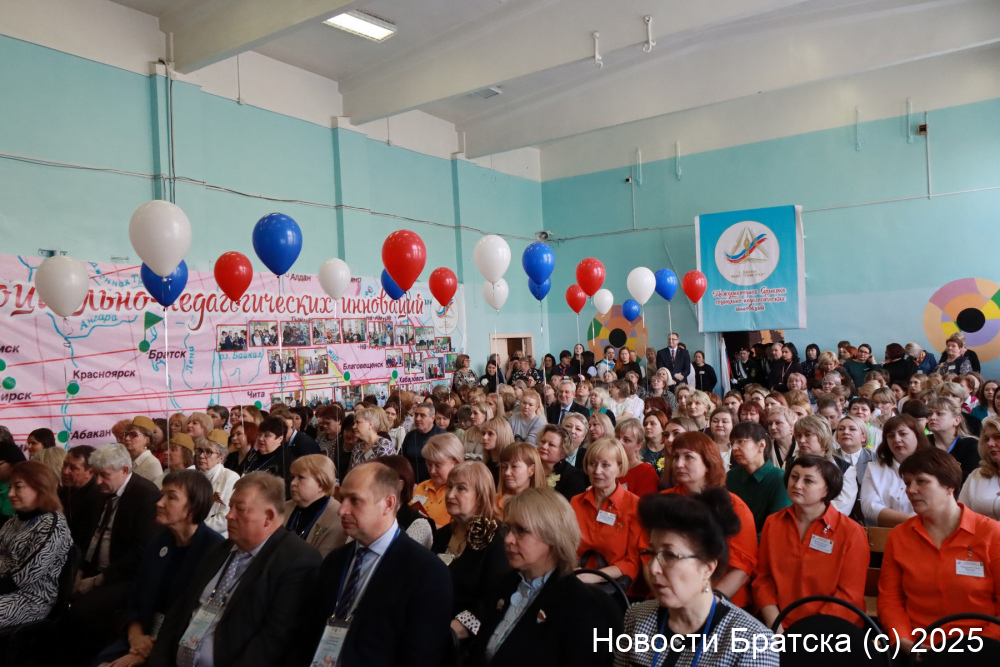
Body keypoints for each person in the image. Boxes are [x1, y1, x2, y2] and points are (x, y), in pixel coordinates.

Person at [147, 472, 321, 667]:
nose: (229, 515)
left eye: (240, 509)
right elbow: (179, 612)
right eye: (230, 506)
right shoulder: (218, 550)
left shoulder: (296, 561)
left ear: (268, 517)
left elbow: (272, 642)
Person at [305, 462, 453, 666]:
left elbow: (420, 657)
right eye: (342, 499)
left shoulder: (427, 573)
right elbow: (310, 631)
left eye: (355, 500)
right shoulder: (335, 561)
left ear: (388, 504)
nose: (342, 510)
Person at [615, 490, 778, 667]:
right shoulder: (637, 618)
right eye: (651, 553)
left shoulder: (753, 643)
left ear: (708, 568)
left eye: (670, 555)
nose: (653, 568)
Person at [470, 488, 620, 667]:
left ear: (552, 536)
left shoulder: (580, 605)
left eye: (521, 530)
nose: (508, 539)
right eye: (508, 529)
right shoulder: (503, 584)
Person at [92, 470, 224, 666]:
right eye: (162, 495)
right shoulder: (158, 542)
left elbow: (200, 619)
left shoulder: (213, 551)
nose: (159, 503)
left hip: (177, 648)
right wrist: (136, 639)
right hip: (141, 637)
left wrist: (144, 653)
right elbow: (136, 597)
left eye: (171, 497)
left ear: (193, 507)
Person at [878, 448, 1000, 651]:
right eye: (907, 483)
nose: (911, 490)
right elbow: (890, 599)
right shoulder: (899, 536)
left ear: (949, 486)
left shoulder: (991, 534)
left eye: (921, 481)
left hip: (981, 648)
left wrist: (981, 648)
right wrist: (902, 640)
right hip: (917, 646)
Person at [753, 456, 869, 630]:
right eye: (794, 477)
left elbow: (849, 595)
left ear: (827, 490)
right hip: (778, 624)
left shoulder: (851, 532)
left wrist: (806, 635)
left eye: (808, 481)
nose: (797, 485)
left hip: (831, 628)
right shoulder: (773, 523)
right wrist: (776, 626)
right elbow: (763, 579)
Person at [68, 444, 161, 655]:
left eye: (105, 475)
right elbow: (87, 535)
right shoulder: (101, 491)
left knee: (81, 610)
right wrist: (79, 569)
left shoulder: (146, 495)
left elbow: (141, 551)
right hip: (93, 565)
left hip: (123, 575)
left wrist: (98, 580)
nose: (98, 481)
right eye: (96, 475)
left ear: (124, 470)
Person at [664, 432, 757, 608]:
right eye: (676, 457)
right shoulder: (663, 502)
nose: (679, 464)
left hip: (720, 602)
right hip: (668, 597)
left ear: (708, 463)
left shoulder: (734, 507)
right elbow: (649, 557)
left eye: (688, 457)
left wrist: (704, 604)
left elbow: (741, 569)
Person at [432, 461, 510, 645]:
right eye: (449, 487)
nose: (450, 494)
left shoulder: (496, 538)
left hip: (464, 640)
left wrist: (449, 631)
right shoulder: (443, 534)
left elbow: (492, 600)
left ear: (481, 497)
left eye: (461, 488)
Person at [0, 461, 73, 629]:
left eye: (18, 487)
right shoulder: (16, 519)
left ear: (40, 488)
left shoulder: (52, 524)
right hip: (6, 589)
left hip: (30, 598)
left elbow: (23, 577)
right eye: (10, 487)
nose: (11, 493)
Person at [571, 438, 642, 588]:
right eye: (592, 464)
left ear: (619, 468)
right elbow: (564, 547)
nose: (597, 471)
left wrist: (595, 576)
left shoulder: (634, 506)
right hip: (574, 579)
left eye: (606, 465)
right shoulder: (576, 502)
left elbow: (632, 562)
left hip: (612, 586)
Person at [860, 415, 932, 527]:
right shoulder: (874, 469)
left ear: (917, 436)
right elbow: (869, 508)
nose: (897, 440)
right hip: (882, 534)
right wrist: (914, 522)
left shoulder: (933, 469)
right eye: (891, 436)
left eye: (903, 434)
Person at [726, 421, 791, 536]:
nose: (734, 448)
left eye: (741, 441)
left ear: (761, 445)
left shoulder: (780, 479)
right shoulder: (731, 476)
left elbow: (777, 526)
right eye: (732, 444)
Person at [791, 414, 858, 516]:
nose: (801, 440)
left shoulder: (845, 470)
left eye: (808, 435)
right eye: (799, 436)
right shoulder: (790, 464)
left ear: (823, 436)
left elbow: (841, 508)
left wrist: (806, 513)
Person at [282, 454, 345, 558]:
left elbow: (322, 562)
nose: (293, 483)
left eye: (301, 477)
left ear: (321, 484)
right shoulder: (283, 507)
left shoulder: (337, 518)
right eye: (293, 477)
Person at [378, 455, 437, 549]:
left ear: (399, 485)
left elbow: (398, 556)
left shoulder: (418, 524)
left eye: (378, 481)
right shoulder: (371, 514)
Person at [59, 444, 109, 551]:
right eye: (65, 465)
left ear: (90, 472)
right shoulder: (65, 490)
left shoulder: (97, 498)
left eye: (73, 468)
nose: (65, 471)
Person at [412, 433, 465, 528]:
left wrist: (428, 527)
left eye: (438, 465)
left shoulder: (462, 493)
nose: (432, 470)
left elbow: (460, 530)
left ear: (456, 463)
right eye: (429, 464)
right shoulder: (422, 486)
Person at [926, 396, 981, 482]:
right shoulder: (923, 442)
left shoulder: (972, 445)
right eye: (929, 414)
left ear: (956, 420)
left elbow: (971, 479)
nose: (932, 417)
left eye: (940, 414)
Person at [196, 433, 240, 537]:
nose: (201, 456)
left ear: (220, 458)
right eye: (200, 451)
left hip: (217, 536)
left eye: (208, 452)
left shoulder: (230, 478)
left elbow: (225, 517)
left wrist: (196, 528)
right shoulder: (194, 476)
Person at [959, 415, 1000, 519]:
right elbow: (961, 516)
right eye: (986, 439)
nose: (990, 443)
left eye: (997, 437)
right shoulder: (976, 475)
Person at [536, 425, 589, 500]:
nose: (544, 446)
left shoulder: (573, 477)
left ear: (563, 452)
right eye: (543, 442)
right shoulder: (529, 466)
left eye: (551, 445)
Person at [496, 442, 545, 517]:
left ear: (531, 470)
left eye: (514, 466)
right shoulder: (494, 501)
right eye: (504, 467)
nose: (507, 473)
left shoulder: (542, 506)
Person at [400, 403, 446, 483]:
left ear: (432, 418)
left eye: (422, 415)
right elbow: (403, 461)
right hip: (412, 483)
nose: (417, 419)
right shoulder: (410, 436)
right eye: (416, 415)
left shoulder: (443, 436)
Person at [615, 418, 659, 497]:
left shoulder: (646, 472)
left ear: (638, 446)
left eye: (626, 440)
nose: (619, 443)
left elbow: (643, 503)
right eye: (617, 438)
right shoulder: (606, 466)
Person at [122, 416, 165, 482]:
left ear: (147, 440)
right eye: (126, 434)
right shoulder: (128, 460)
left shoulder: (152, 464)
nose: (127, 438)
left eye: (133, 434)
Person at [640, 410, 670, 474]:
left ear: (663, 427)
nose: (647, 427)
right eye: (645, 424)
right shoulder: (640, 449)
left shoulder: (670, 448)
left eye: (652, 423)